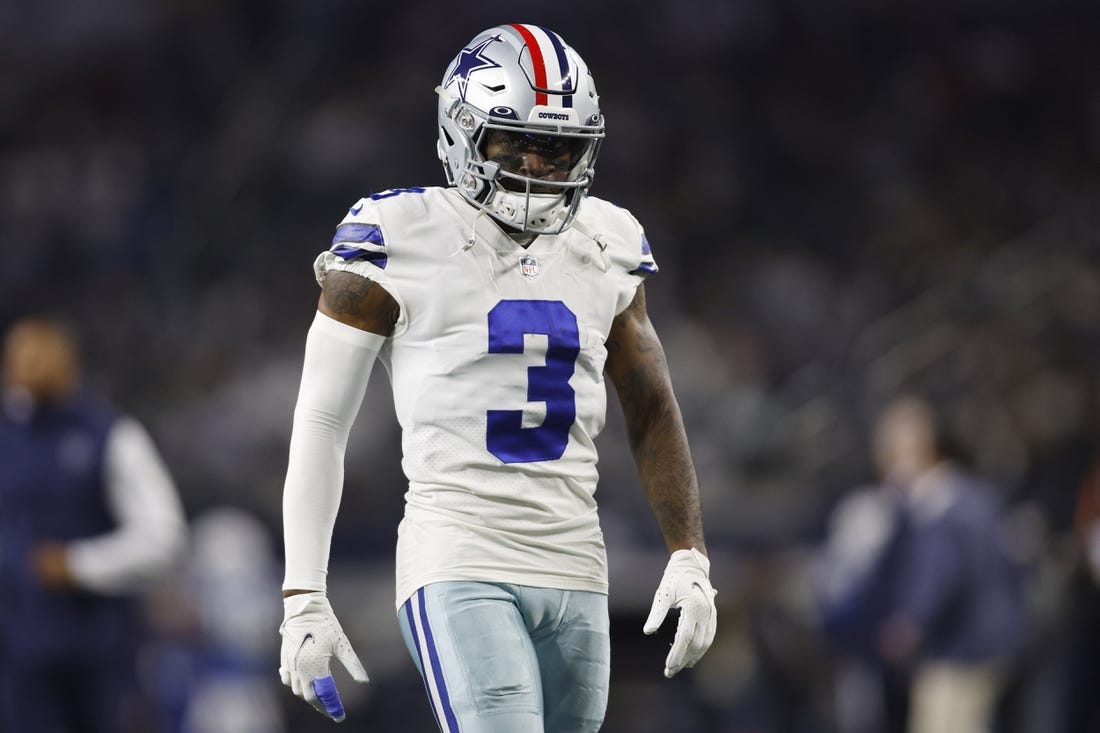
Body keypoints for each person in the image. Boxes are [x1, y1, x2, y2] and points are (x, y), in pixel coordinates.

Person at [277, 23, 718, 732]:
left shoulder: (608, 241)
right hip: (459, 550)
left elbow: (652, 405)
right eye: (519, 141)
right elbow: (323, 420)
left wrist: (690, 554)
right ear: (462, 131)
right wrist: (304, 591)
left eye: (561, 146)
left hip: (577, 556)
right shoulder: (397, 234)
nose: (542, 166)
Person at [0, 317, 188, 733]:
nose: (29, 363)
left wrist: (80, 564)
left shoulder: (109, 434)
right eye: (20, 354)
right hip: (16, 655)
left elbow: (165, 537)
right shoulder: (7, 437)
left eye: (41, 352)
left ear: (70, 361)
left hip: (96, 653)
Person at [819, 396, 1026, 733]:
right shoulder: (970, 495)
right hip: (984, 644)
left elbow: (943, 573)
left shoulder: (942, 503)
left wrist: (910, 622)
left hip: (962, 651)